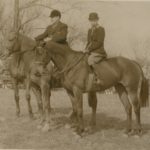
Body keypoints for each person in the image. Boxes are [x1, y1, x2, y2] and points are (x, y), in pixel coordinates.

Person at [85, 12, 107, 87]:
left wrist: (89, 49)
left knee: (90, 59)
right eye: (91, 20)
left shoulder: (101, 29)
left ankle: (98, 78)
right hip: (90, 51)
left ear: (97, 20)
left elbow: (99, 42)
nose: (92, 22)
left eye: (94, 20)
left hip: (99, 52)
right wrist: (85, 49)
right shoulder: (89, 30)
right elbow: (88, 42)